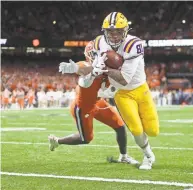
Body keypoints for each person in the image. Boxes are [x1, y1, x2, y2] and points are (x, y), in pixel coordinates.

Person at [82, 12, 160, 170]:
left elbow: (125, 78)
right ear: (105, 32)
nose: (114, 35)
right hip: (122, 94)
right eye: (111, 32)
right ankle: (148, 156)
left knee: (153, 131)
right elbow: (89, 77)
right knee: (136, 129)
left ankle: (148, 151)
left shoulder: (134, 44)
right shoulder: (99, 43)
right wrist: (93, 71)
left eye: (118, 31)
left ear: (125, 31)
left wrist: (104, 70)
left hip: (140, 88)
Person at [48, 41, 138, 165]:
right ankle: (57, 141)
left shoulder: (107, 69)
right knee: (86, 139)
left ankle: (123, 156)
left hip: (98, 103)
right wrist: (75, 68)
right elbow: (83, 70)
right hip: (83, 108)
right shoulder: (89, 70)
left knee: (120, 126)